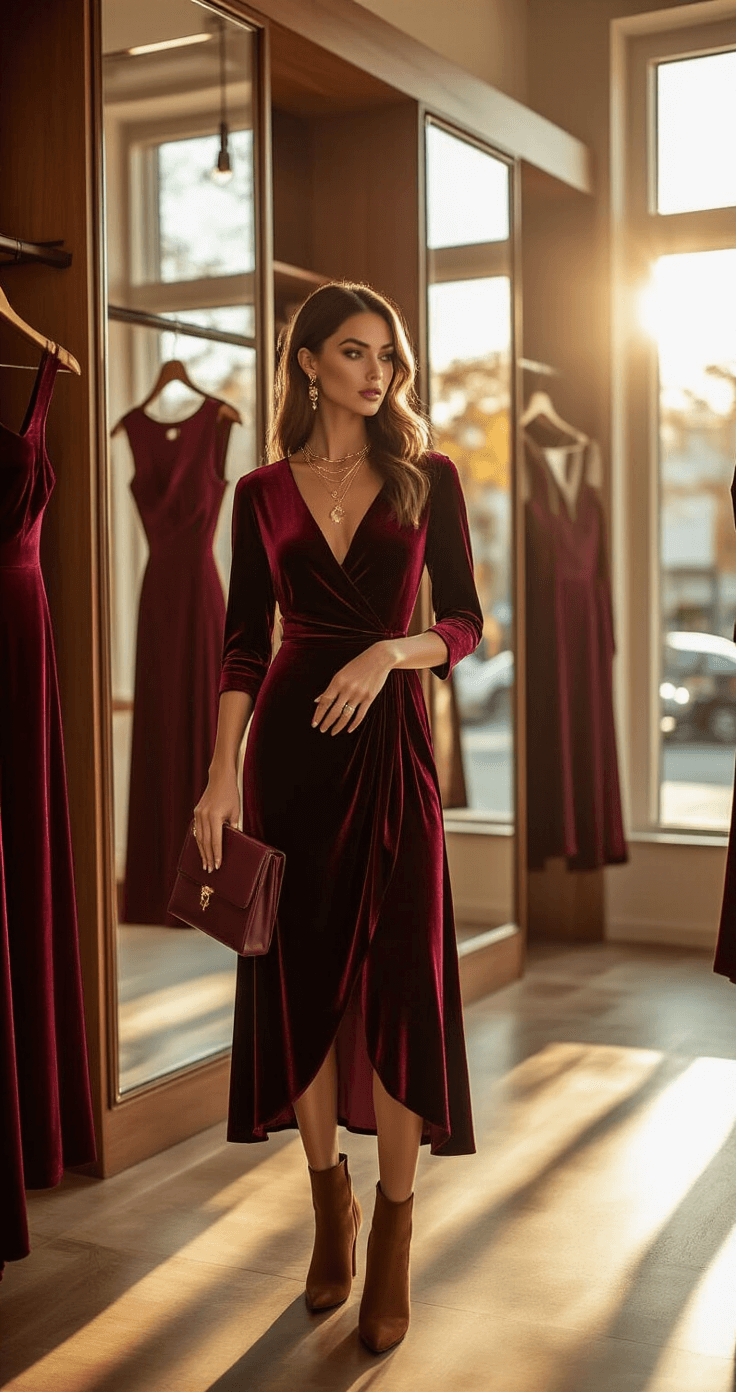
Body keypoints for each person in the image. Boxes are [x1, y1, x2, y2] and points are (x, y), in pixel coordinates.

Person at [194, 281, 483, 1354]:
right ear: (308, 363)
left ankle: (396, 1233)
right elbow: (240, 646)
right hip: (289, 757)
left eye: (389, 358)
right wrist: (220, 777)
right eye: (355, 353)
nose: (378, 374)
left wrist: (386, 649)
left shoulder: (427, 480)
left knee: (402, 977)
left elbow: (462, 624)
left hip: (394, 749)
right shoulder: (257, 494)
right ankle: (330, 1206)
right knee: (301, 983)